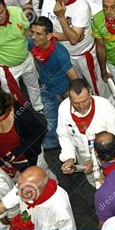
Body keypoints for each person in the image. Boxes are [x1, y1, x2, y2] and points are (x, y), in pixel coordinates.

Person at [41, 0, 104, 97]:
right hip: (62, 55)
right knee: (76, 87)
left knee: (96, 86)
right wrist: (70, 35)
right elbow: (45, 32)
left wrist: (61, 17)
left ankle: (105, 105)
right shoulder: (48, 1)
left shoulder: (82, 6)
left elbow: (74, 40)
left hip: (83, 54)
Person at [29, 17, 79, 149]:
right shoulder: (32, 44)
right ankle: (53, 142)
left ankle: (74, 145)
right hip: (46, 89)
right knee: (51, 119)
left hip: (63, 92)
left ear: (49, 35)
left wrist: (72, 95)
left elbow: (74, 77)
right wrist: (40, 78)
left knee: (69, 119)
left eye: (38, 34)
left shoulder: (60, 53)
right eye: (32, 32)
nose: (33, 37)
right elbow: (36, 61)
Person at [57, 78, 115, 185]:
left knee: (114, 183)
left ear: (90, 93)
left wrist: (96, 161)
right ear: (69, 98)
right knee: (94, 182)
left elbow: (114, 138)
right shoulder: (63, 108)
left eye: (84, 101)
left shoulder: (105, 107)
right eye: (76, 103)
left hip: (106, 157)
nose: (81, 106)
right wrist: (69, 158)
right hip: (82, 155)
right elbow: (64, 135)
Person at [0, 166, 76, 230]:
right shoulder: (23, 187)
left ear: (39, 189)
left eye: (24, 191)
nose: (18, 194)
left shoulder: (60, 207)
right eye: (18, 187)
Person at [0, 90, 46, 177]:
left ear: (7, 109)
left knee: (42, 178)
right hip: (5, 163)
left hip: (29, 158)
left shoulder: (21, 113)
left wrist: (18, 151)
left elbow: (40, 131)